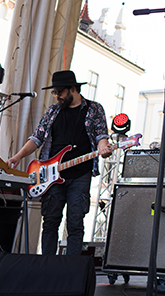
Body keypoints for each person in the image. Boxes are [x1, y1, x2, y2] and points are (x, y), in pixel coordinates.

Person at [7, 70, 113, 255]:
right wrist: (18, 156)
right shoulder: (53, 111)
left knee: (75, 223)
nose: (57, 96)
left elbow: (101, 136)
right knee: (50, 221)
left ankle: (71, 267)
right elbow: (37, 138)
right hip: (51, 174)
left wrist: (104, 148)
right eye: (54, 92)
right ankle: (48, 264)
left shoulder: (94, 109)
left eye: (60, 91)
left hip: (80, 174)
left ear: (73, 89)